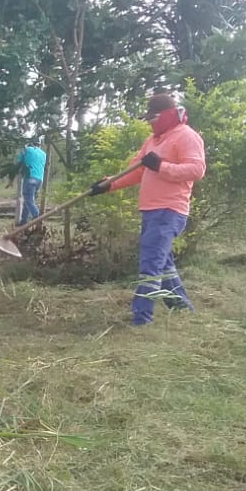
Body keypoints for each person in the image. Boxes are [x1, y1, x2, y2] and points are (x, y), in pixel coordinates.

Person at [87, 92, 206, 326]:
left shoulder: (186, 136)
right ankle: (182, 308)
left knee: (150, 264)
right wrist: (108, 184)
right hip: (150, 211)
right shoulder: (153, 141)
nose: (150, 123)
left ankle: (142, 319)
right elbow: (137, 171)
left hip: (170, 210)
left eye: (153, 118)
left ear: (167, 115)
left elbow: (196, 170)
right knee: (163, 264)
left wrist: (161, 166)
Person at [12, 143, 47, 225]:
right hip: (39, 180)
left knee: (29, 200)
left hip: (30, 177)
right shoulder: (43, 153)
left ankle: (37, 217)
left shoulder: (26, 150)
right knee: (29, 201)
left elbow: (18, 162)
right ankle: (24, 221)